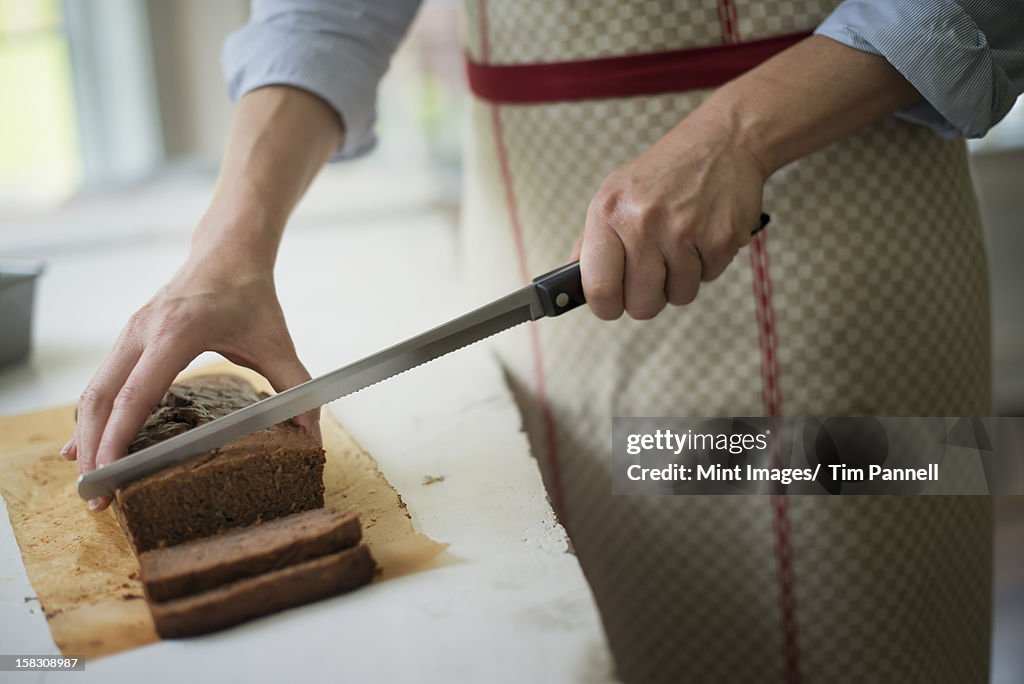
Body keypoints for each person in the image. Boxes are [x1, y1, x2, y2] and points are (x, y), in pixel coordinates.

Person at [66, 1, 1022, 681]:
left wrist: (737, 131)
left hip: (850, 275)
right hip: (547, 309)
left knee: (871, 624)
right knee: (574, 631)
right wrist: (227, 247)